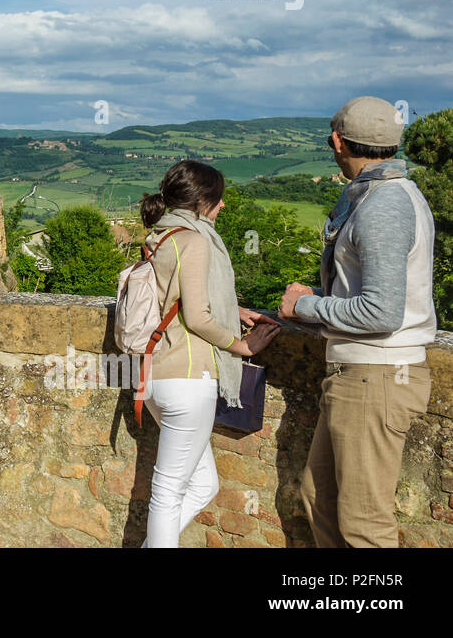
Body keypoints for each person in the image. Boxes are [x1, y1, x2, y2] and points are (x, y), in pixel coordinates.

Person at [282, 97, 436, 548]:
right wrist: (326, 299)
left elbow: (381, 312)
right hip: (364, 374)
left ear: (336, 142)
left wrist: (304, 308)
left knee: (364, 524)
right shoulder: (386, 193)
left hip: (377, 375)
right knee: (318, 499)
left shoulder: (383, 203)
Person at [139, 160, 279, 547]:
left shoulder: (160, 237)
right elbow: (198, 317)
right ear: (202, 202)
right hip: (188, 377)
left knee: (204, 485)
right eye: (218, 200)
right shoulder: (195, 240)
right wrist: (241, 344)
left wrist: (230, 310)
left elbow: (178, 294)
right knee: (167, 494)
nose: (221, 208)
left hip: (154, 376)